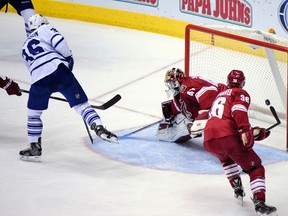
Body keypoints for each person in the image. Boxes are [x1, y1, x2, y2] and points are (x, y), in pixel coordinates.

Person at [19, 14, 118, 162]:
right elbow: (59, 41)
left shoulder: (24, 46)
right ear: (42, 23)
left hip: (38, 80)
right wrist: (68, 58)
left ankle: (34, 146)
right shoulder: (44, 28)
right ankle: (98, 127)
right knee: (82, 106)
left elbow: (33, 69)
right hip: (59, 70)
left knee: (33, 113)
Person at [203, 70, 277, 215]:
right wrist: (245, 130)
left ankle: (237, 188)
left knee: (227, 158)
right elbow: (239, 111)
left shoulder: (220, 95)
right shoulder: (239, 93)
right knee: (255, 167)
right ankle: (260, 204)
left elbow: (223, 119)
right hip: (226, 135)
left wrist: (251, 131)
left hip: (209, 138)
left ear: (227, 81)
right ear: (243, 82)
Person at [157, 67, 226, 142]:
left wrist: (202, 118)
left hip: (224, 101)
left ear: (179, 80)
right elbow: (179, 104)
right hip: (219, 98)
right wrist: (168, 114)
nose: (170, 86)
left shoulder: (188, 88)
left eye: (172, 83)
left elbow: (210, 92)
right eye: (169, 84)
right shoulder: (182, 89)